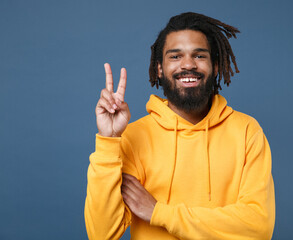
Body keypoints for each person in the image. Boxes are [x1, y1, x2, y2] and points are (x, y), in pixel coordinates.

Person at [85, 12, 275, 240]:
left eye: (199, 56)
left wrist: (159, 213)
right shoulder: (134, 136)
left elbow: (258, 227)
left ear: (215, 66)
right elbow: (101, 235)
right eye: (175, 56)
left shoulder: (246, 131)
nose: (188, 64)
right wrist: (108, 141)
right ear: (159, 69)